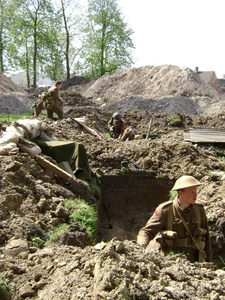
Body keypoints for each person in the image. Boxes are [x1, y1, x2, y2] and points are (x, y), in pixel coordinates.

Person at [137, 175, 212, 263]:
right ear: (180, 193)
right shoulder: (165, 210)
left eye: (195, 191)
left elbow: (206, 240)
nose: (195, 194)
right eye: (191, 192)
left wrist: (208, 264)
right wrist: (141, 245)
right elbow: (146, 232)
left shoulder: (199, 210)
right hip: (172, 264)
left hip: (195, 265)